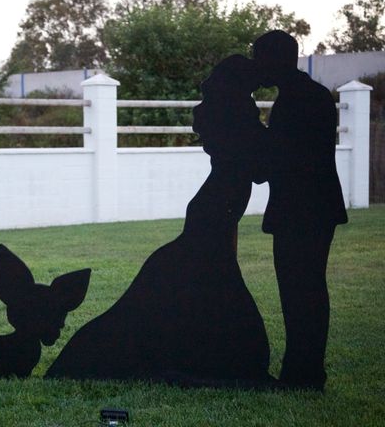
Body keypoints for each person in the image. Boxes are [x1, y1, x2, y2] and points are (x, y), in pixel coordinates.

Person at [46, 55, 273, 387]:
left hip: (196, 263)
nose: (204, 137)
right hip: (190, 260)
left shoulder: (234, 164)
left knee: (129, 327)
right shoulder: (231, 162)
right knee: (129, 323)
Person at [253, 30, 348, 391]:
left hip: (300, 210)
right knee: (307, 290)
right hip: (316, 208)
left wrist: (253, 133)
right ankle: (304, 371)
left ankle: (303, 375)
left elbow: (273, 165)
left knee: (299, 292)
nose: (256, 65)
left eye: (259, 57)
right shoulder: (311, 95)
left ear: (275, 60)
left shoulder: (294, 102)